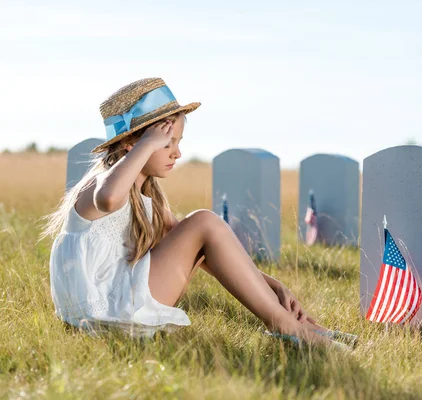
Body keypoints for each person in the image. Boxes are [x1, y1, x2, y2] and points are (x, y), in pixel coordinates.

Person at [39, 78, 356, 348]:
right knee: (204, 219)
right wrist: (146, 143)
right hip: (103, 311)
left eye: (177, 141)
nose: (176, 152)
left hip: (119, 304)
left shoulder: (146, 198)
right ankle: (290, 330)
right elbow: (109, 198)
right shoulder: (98, 189)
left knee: (203, 225)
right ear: (131, 145)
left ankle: (298, 326)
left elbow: (211, 253)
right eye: (167, 142)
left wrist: (273, 285)